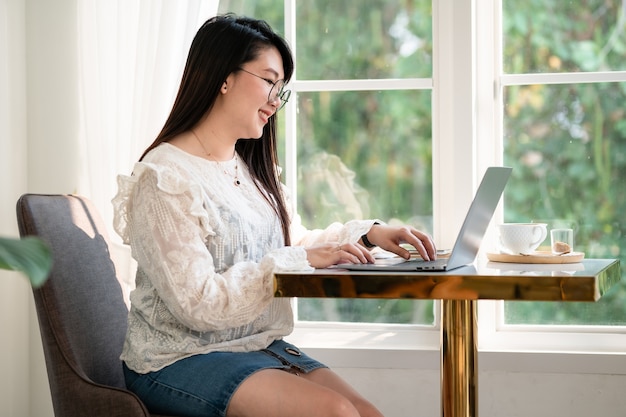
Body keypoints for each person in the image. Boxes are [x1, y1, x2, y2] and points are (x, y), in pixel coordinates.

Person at [112, 14, 436, 417]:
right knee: (334, 412)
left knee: (364, 412)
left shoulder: (247, 171)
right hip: (177, 357)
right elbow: (198, 303)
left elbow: (292, 245)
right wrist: (299, 259)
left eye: (281, 89)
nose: (275, 100)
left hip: (254, 345)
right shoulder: (164, 178)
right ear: (223, 77)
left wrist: (370, 234)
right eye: (269, 81)